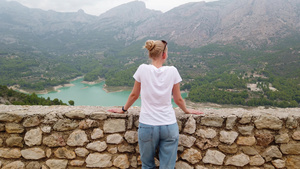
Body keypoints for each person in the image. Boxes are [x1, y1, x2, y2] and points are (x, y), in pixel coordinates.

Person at [108, 40, 203, 169]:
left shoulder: (142, 69)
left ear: (150, 54)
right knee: (167, 166)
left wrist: (123, 109)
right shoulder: (173, 70)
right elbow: (178, 99)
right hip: (169, 125)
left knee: (147, 165)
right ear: (164, 55)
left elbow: (134, 95)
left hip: (147, 125)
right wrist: (186, 110)